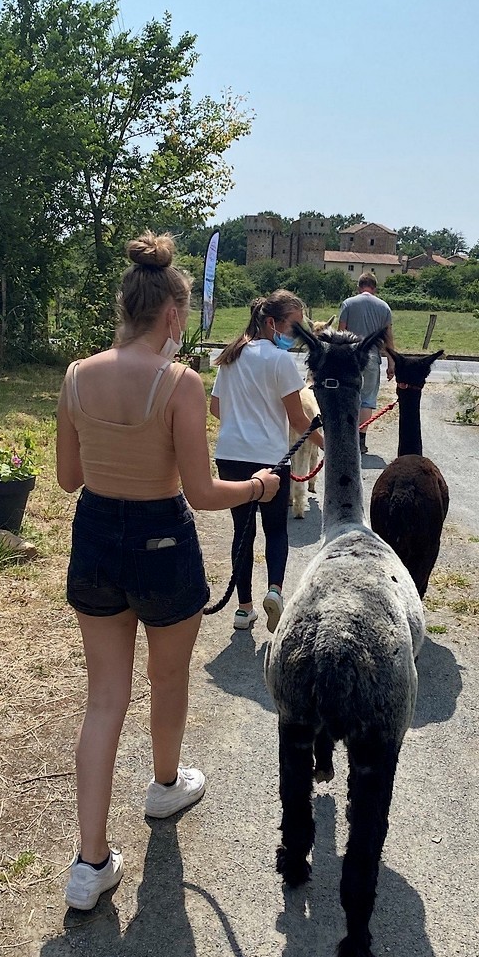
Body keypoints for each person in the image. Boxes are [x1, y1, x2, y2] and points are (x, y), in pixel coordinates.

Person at [56, 231, 281, 910]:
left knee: (103, 699)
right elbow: (203, 492)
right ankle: (163, 785)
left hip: (96, 537)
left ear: (125, 306)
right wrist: (260, 488)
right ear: (174, 314)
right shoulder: (180, 382)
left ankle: (89, 864)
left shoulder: (76, 375)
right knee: (168, 676)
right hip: (162, 542)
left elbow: (68, 478)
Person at [210, 291, 324, 634]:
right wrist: (329, 445)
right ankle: (274, 590)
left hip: (230, 456)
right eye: (294, 326)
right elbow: (299, 419)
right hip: (270, 460)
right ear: (271, 323)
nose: (297, 335)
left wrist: (242, 421)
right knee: (275, 530)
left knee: (242, 532)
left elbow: (215, 408)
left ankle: (243, 609)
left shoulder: (231, 355)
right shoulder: (279, 361)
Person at [338, 272, 395, 454]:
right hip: (371, 358)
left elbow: (341, 334)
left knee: (348, 396)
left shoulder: (348, 304)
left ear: (359, 287)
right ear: (375, 288)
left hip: (350, 357)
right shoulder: (384, 307)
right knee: (367, 399)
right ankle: (361, 440)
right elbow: (388, 338)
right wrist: (391, 362)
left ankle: (347, 437)